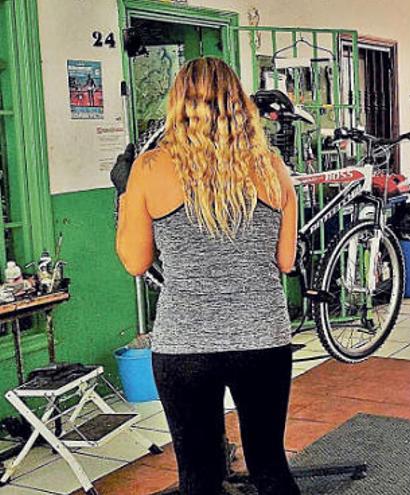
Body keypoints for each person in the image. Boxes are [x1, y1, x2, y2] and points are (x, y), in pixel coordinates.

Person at [114, 57, 299, 495]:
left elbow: (134, 262)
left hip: (185, 345)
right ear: (239, 105)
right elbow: (287, 259)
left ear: (177, 105)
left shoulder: (150, 168)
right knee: (270, 466)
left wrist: (127, 197)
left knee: (198, 477)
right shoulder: (272, 167)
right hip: (263, 339)